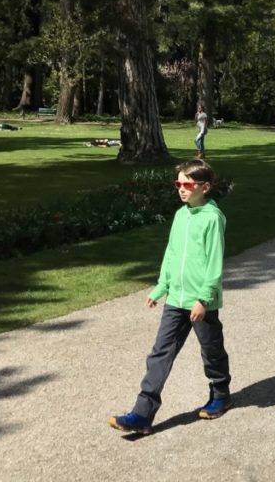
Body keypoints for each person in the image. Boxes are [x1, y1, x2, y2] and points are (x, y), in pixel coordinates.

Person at [108, 159, 232, 435]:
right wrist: (161, 287)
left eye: (188, 184)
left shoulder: (213, 218)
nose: (182, 189)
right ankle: (142, 414)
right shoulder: (180, 215)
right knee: (160, 354)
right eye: (178, 183)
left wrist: (204, 298)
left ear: (205, 186)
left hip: (202, 302)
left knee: (211, 350)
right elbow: (172, 255)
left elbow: (214, 263)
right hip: (176, 298)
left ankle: (220, 394)